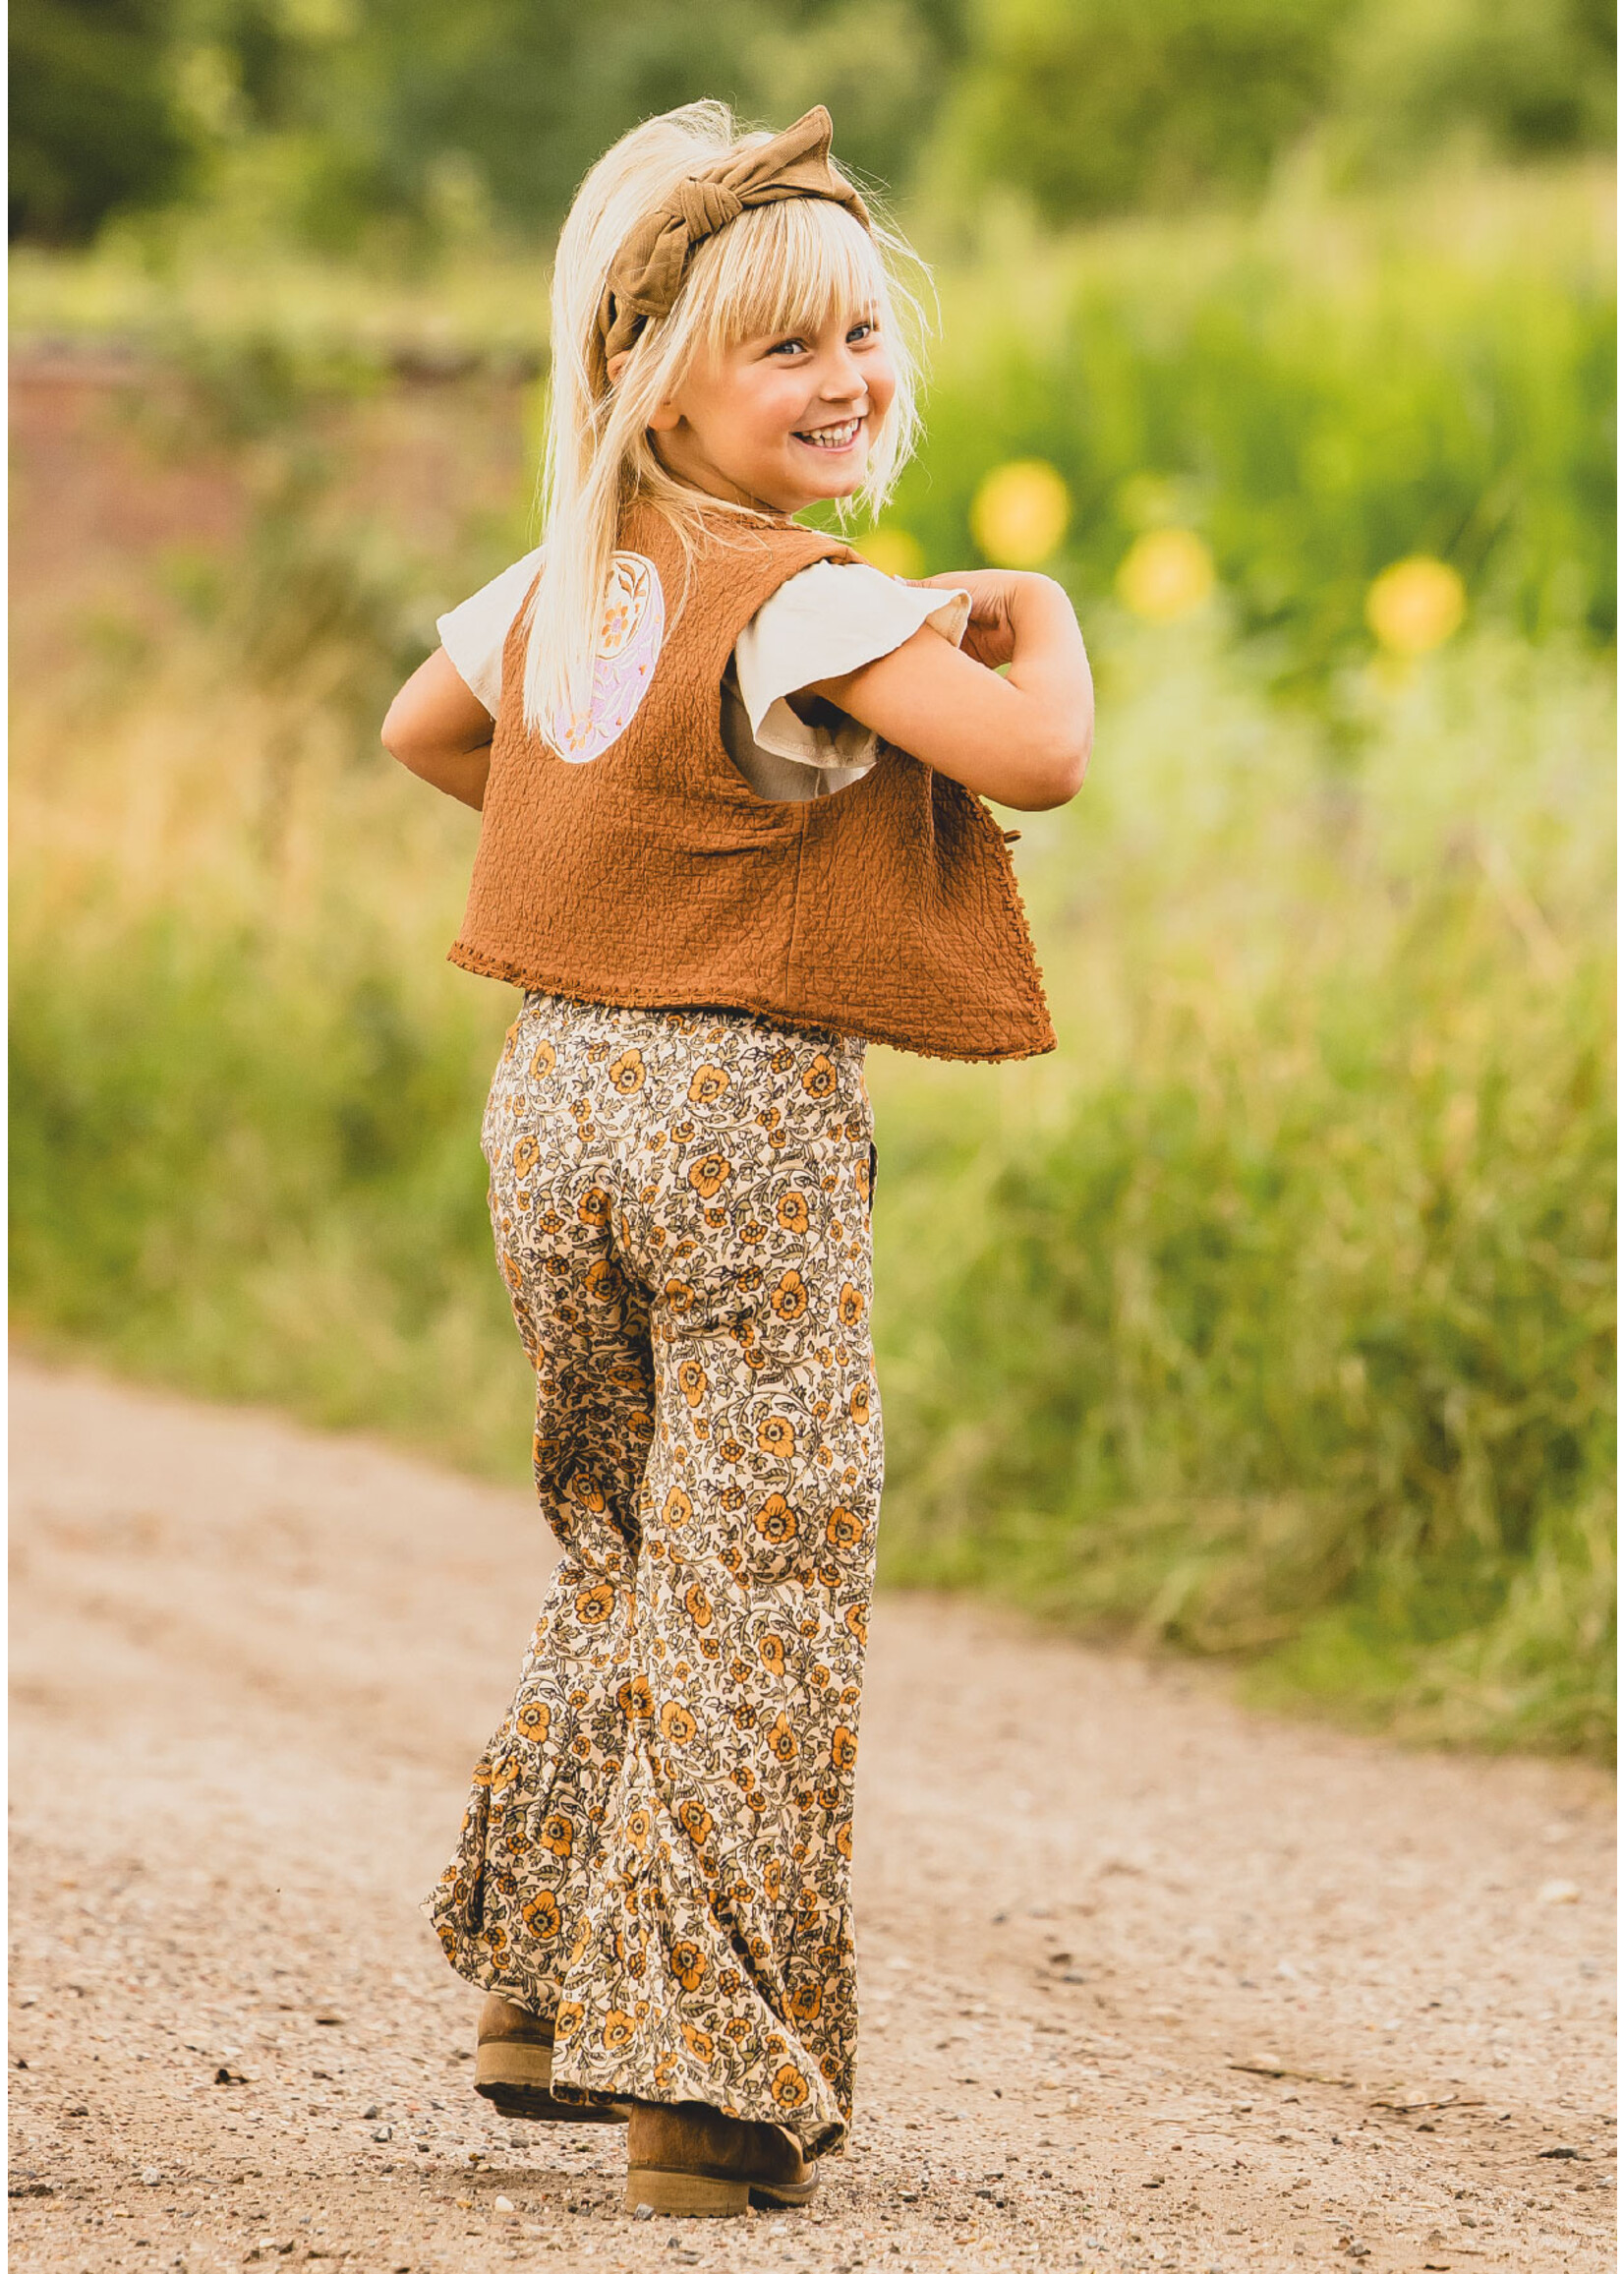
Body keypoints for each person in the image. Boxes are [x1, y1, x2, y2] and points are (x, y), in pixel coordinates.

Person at [380, 98, 1091, 2221]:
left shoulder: (562, 578)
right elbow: (1039, 751)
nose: (847, 377)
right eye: (784, 347)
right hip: (736, 1120)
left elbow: (426, 735)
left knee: (620, 1536)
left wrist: (610, 887)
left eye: (860, 334)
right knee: (758, 1576)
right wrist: (1024, 601)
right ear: (649, 376)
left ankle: (537, 1981)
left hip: (555, 1096)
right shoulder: (807, 603)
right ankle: (700, 2083)